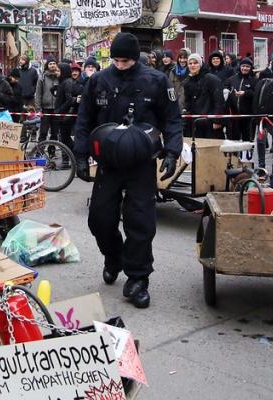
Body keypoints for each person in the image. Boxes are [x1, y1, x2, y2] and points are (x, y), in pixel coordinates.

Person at [73, 33, 183, 309]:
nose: (121, 65)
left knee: (140, 221)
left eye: (126, 60)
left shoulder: (156, 81)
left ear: (135, 58)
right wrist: (81, 155)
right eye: (117, 60)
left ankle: (138, 277)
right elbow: (84, 118)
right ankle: (113, 257)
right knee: (100, 218)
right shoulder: (99, 80)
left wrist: (172, 152)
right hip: (108, 161)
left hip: (141, 161)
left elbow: (172, 119)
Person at [183, 53, 225, 138]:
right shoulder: (188, 81)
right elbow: (188, 101)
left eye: (195, 63)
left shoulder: (211, 79)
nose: (192, 65)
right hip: (195, 122)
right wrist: (185, 113)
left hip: (209, 121)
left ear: (200, 64)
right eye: (190, 63)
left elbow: (219, 101)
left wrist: (217, 120)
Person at [224, 58, 256, 141]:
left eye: (247, 66)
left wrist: (245, 93)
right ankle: (235, 154)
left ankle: (248, 154)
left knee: (248, 140)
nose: (245, 68)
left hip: (248, 116)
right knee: (233, 140)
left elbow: (257, 94)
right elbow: (225, 89)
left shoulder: (254, 80)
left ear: (251, 68)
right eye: (243, 66)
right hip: (234, 116)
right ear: (240, 67)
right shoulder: (231, 79)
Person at [55, 62, 85, 155]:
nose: (56, 72)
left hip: (66, 115)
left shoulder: (67, 82)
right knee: (64, 138)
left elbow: (69, 100)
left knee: (65, 138)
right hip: (64, 114)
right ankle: (70, 159)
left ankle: (75, 156)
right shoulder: (63, 81)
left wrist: (59, 110)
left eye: (58, 70)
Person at [35, 57, 61, 143]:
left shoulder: (60, 77)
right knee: (43, 132)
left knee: (55, 132)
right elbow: (38, 94)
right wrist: (38, 109)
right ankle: (39, 151)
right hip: (45, 108)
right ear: (47, 66)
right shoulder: (42, 78)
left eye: (54, 63)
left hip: (57, 109)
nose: (52, 65)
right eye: (50, 64)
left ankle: (52, 152)